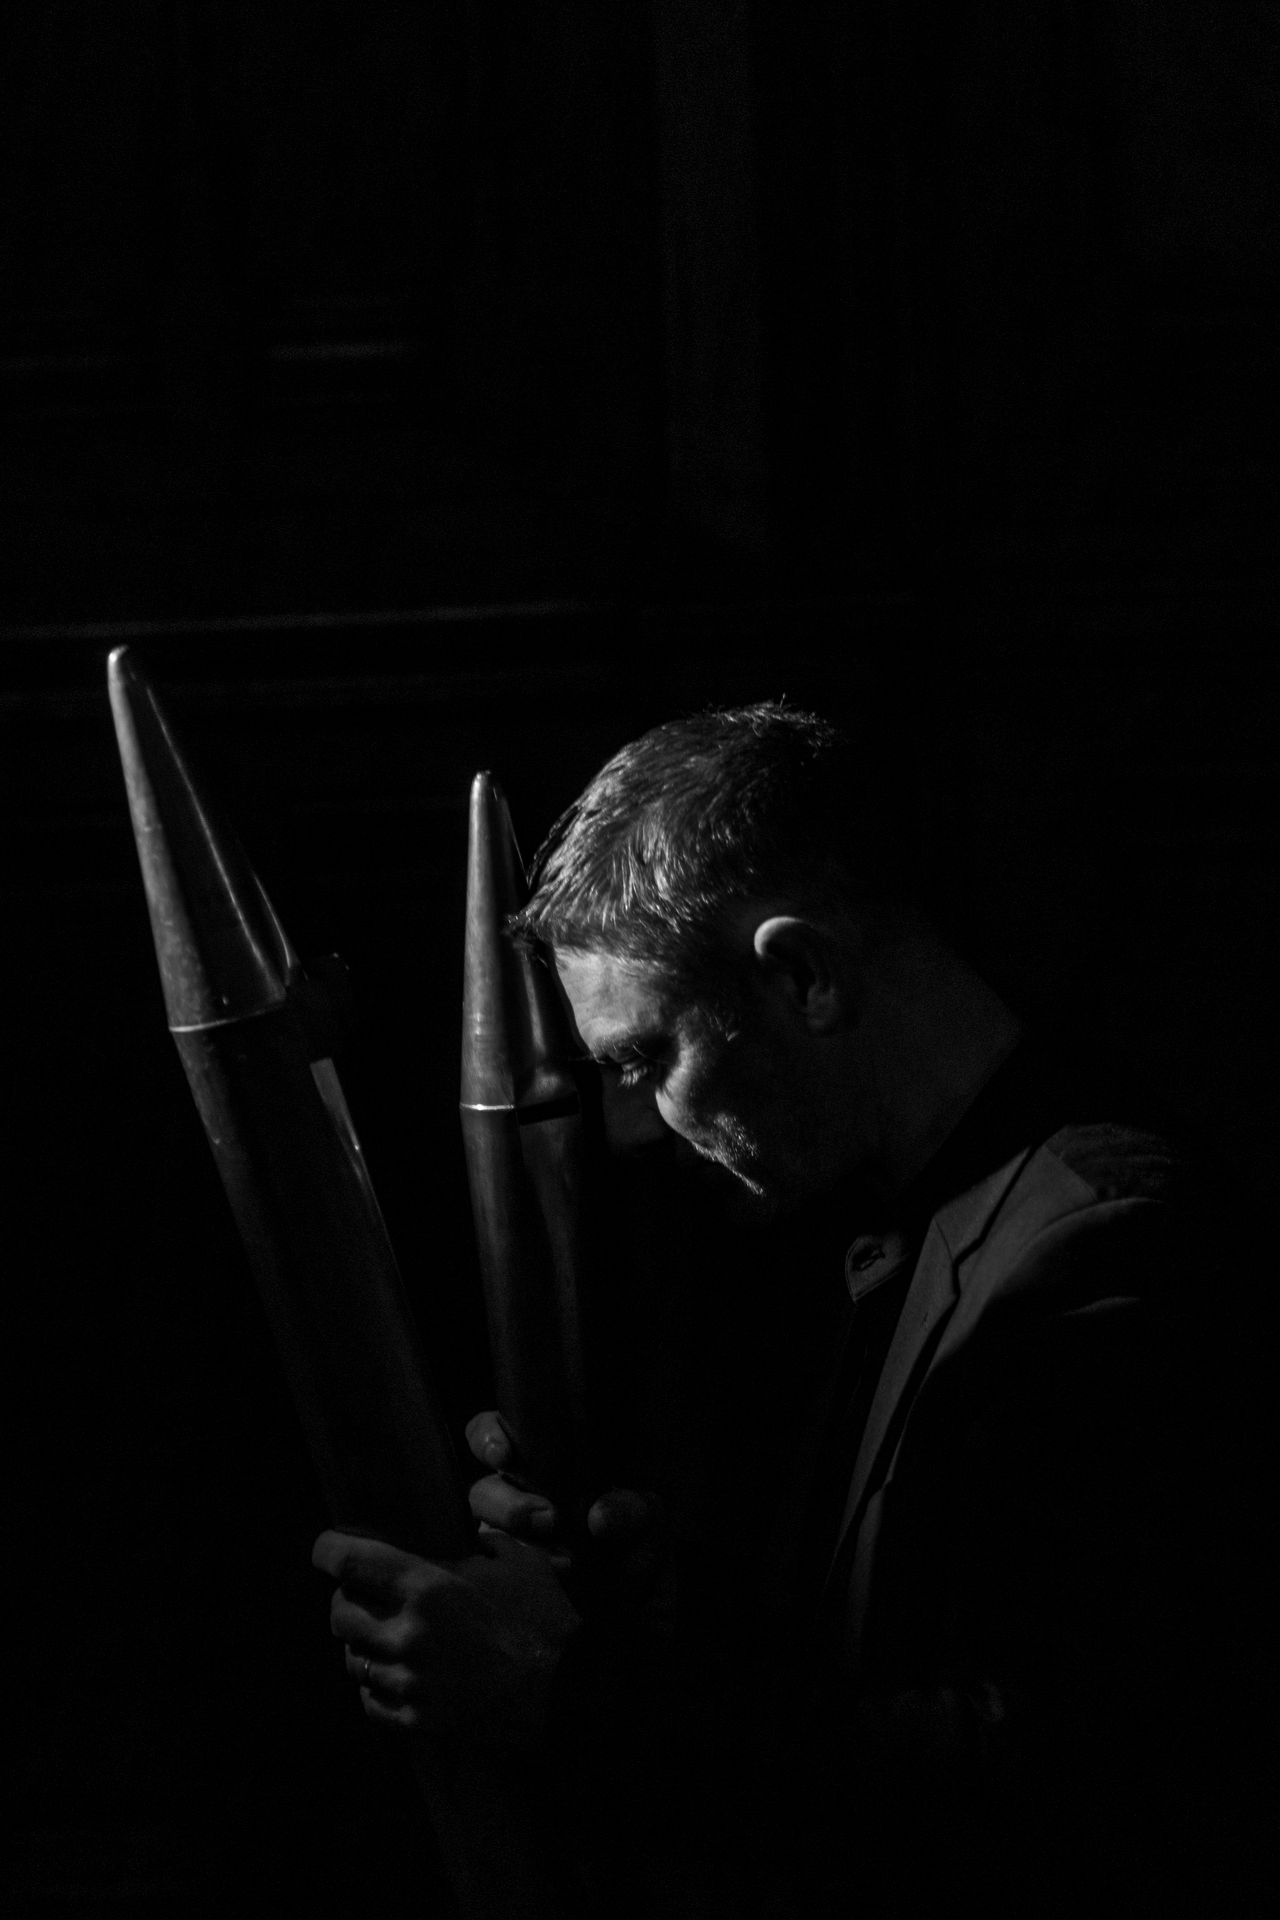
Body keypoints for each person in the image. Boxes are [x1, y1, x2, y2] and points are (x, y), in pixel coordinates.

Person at [312, 703, 1262, 1916]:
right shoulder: (925, 1227)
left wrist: (561, 1689)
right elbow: (895, 1665)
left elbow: (1071, 1783)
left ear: (802, 975)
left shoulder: (1100, 1245)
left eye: (644, 1060)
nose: (631, 1128)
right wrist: (654, 1614)